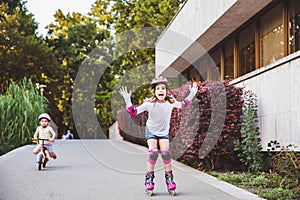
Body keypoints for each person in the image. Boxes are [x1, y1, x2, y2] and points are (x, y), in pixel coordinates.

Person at [119, 76, 198, 194]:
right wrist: (127, 100)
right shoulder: (149, 104)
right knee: (154, 153)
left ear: (167, 91)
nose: (161, 90)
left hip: (163, 133)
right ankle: (149, 178)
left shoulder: (170, 103)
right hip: (151, 131)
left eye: (163, 88)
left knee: (166, 154)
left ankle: (169, 179)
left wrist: (192, 93)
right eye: (158, 88)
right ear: (154, 92)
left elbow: (183, 105)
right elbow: (134, 112)